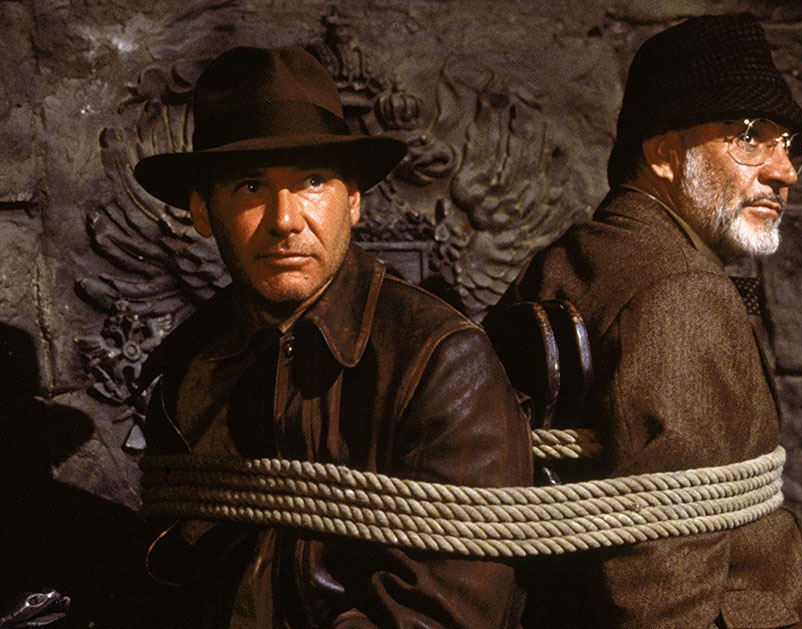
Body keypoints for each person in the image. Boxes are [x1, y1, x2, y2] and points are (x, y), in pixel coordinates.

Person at [131, 46, 531, 627]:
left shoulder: (441, 361)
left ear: (354, 201)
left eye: (312, 182)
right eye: (250, 187)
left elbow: (444, 609)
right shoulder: (188, 368)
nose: (285, 219)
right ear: (202, 211)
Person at [502, 14, 802, 628]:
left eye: (789, 144)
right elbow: (663, 581)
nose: (785, 171)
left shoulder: (565, 261)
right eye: (750, 138)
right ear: (664, 154)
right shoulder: (681, 293)